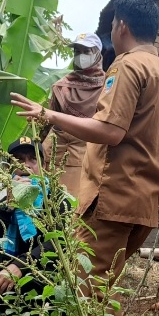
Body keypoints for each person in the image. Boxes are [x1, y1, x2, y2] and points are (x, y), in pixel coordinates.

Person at [10, 0, 159, 316]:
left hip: (111, 195)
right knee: (102, 289)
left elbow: (109, 130)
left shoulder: (126, 67)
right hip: (141, 198)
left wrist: (48, 115)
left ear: (120, 26)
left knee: (96, 296)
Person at [0, 136, 70, 316]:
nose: (25, 165)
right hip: (14, 273)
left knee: (52, 264)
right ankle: (12, 313)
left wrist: (18, 266)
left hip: (40, 273)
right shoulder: (8, 201)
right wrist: (6, 209)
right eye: (18, 160)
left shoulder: (56, 199)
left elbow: (57, 244)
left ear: (43, 166)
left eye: (32, 159)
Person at [43, 32, 106, 197]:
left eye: (86, 51)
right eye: (77, 51)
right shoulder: (61, 87)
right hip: (53, 153)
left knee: (73, 208)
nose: (81, 56)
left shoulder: (107, 87)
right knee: (46, 205)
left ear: (98, 54)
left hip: (85, 158)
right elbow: (49, 121)